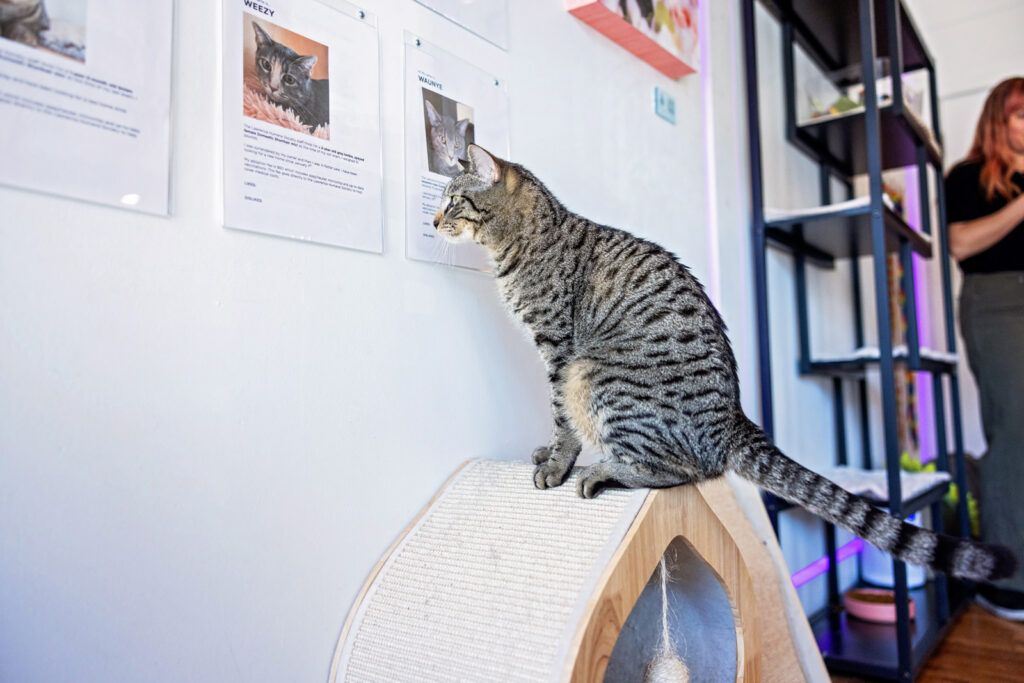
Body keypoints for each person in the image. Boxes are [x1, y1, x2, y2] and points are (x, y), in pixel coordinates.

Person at [945, 76, 1024, 620]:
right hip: (996, 301)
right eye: (1023, 114)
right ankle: (1007, 583)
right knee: (1014, 426)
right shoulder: (968, 176)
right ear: (1000, 119)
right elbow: (961, 244)